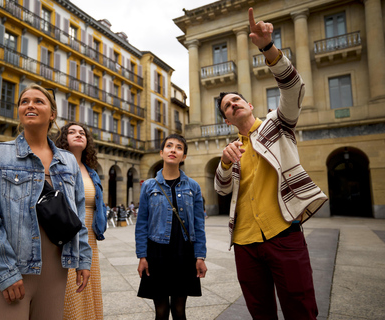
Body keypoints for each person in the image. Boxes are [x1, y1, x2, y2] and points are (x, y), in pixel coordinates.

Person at [214, 8, 328, 320]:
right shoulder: (233, 148)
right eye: (227, 106)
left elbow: (294, 88)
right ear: (226, 120)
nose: (233, 104)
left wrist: (268, 48)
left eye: (237, 100)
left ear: (249, 105)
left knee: (301, 309)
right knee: (260, 312)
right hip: (244, 243)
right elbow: (222, 191)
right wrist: (224, 164)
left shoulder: (277, 124)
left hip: (283, 232)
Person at [0, 84, 92, 320]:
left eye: (38, 101)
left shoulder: (68, 162)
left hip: (55, 275)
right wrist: (5, 272)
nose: (30, 105)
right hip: (6, 275)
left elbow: (77, 217)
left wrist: (83, 259)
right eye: (24, 101)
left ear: (52, 114)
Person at [135, 134, 207, 320]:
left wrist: (200, 256)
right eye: (169, 146)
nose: (173, 149)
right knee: (160, 311)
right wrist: (142, 256)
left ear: (183, 156)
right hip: (156, 252)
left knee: (179, 309)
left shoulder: (194, 186)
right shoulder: (149, 186)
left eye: (179, 147)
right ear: (162, 152)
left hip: (184, 252)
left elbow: (199, 224)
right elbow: (142, 223)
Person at [55, 122, 107, 320]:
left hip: (90, 238)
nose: (78, 135)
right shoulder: (57, 165)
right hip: (66, 235)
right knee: (69, 288)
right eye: (72, 132)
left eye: (82, 133)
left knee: (88, 286)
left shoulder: (90, 171)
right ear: (63, 139)